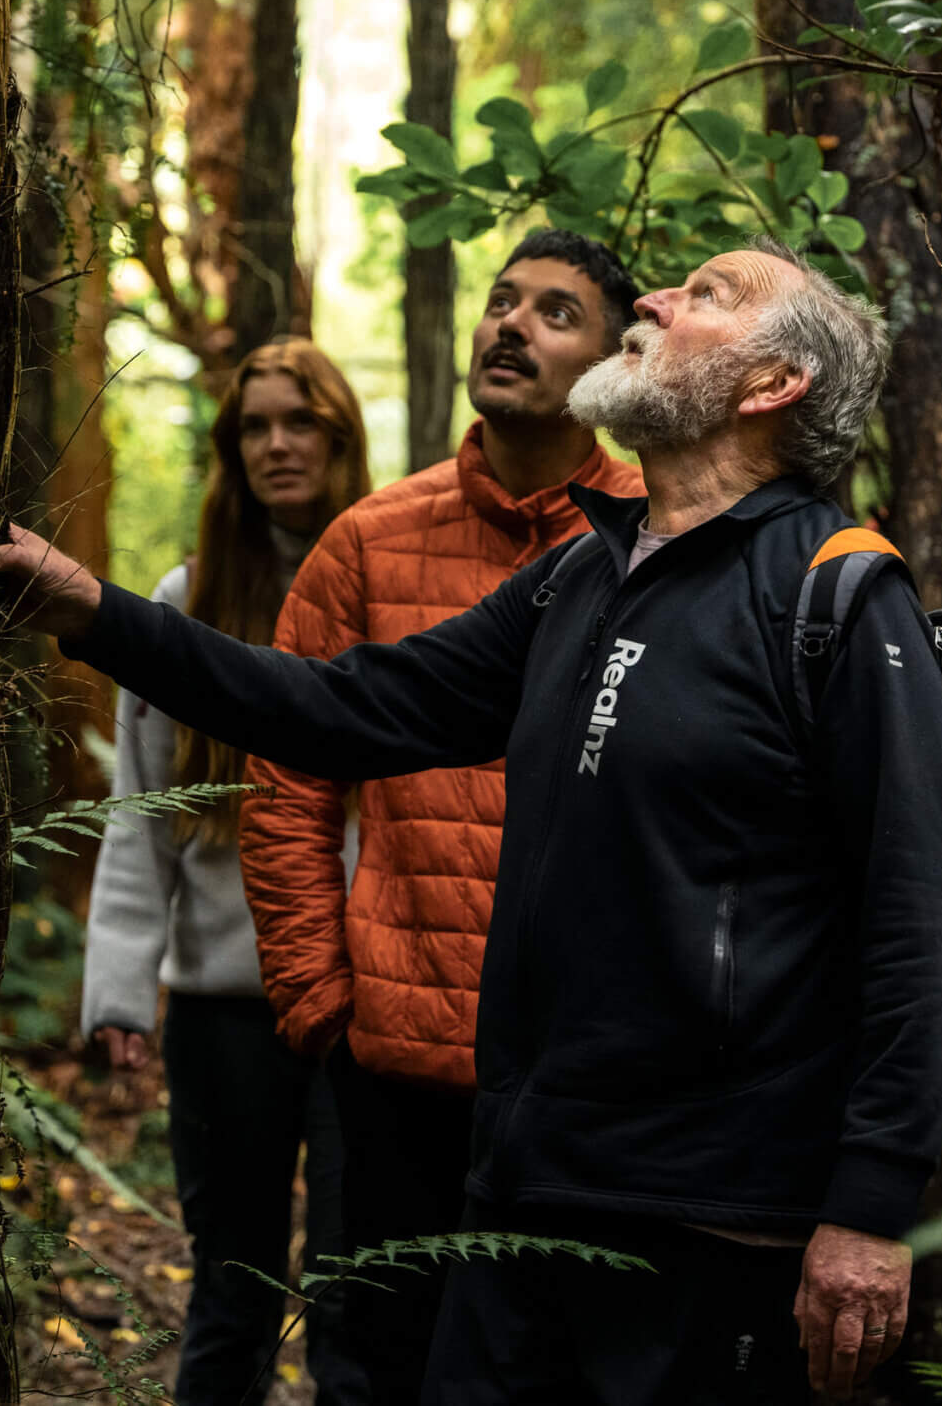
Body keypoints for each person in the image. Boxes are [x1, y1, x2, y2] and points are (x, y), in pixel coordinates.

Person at [0, 240, 942, 1405]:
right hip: (522, 1187)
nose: (659, 299)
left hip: (716, 1219)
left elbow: (927, 917)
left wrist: (867, 1211)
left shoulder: (834, 595)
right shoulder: (578, 577)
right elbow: (342, 707)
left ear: (772, 389)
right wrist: (97, 614)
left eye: (709, 294)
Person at [235, 230, 642, 1400]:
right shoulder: (369, 539)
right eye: (501, 302)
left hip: (583, 1072)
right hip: (397, 1059)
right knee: (376, 1367)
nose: (510, 324)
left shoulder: (663, 542)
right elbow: (288, 777)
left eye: (556, 313)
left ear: (617, 365)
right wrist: (318, 993)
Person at [78, 338, 374, 1406]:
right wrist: (119, 987)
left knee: (358, 1294)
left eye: (302, 422)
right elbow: (141, 818)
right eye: (254, 426)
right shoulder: (184, 597)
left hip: (368, 1007)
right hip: (223, 1010)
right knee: (231, 1293)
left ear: (343, 439)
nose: (278, 445)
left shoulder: (393, 585)